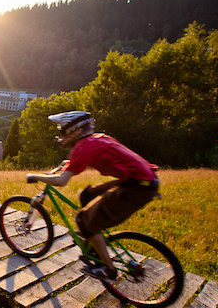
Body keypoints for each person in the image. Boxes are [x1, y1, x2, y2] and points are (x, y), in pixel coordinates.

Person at [26, 111, 159, 281]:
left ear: (72, 130)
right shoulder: (97, 138)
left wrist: (35, 176)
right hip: (143, 180)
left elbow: (61, 181)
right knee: (86, 195)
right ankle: (94, 241)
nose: (60, 133)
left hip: (136, 187)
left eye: (62, 129)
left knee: (83, 220)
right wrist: (70, 164)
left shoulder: (82, 147)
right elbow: (94, 156)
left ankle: (108, 270)